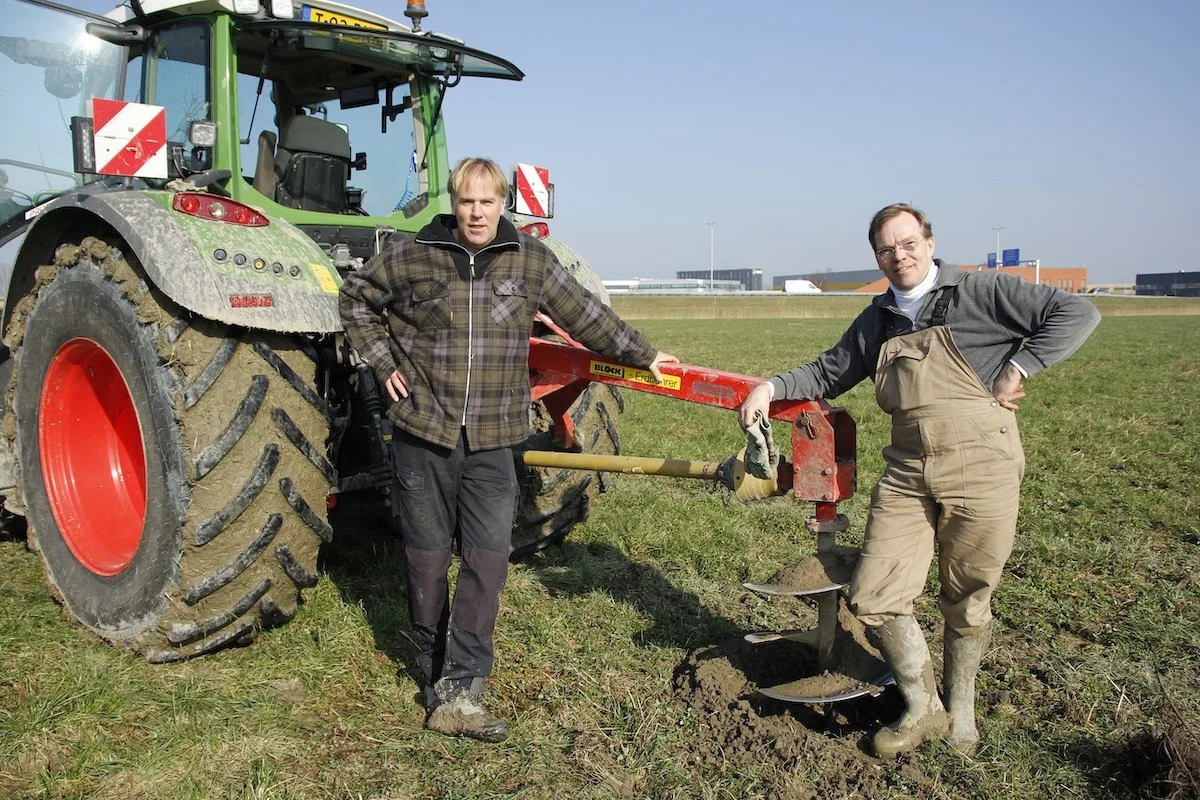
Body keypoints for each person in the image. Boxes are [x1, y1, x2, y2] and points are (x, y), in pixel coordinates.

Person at [739, 203, 1100, 758]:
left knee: (968, 594)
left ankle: (961, 712)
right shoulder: (878, 319)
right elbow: (831, 371)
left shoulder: (978, 293)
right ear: (877, 257)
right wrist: (771, 385)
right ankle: (921, 705)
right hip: (908, 467)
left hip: (982, 462)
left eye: (908, 243)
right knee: (874, 592)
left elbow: (1075, 312)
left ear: (930, 243)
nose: (899, 256)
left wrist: (1019, 368)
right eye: (886, 248)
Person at [339, 157, 677, 743]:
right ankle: (430, 669)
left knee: (486, 561)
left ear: (503, 204)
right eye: (467, 202)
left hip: (495, 437)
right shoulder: (414, 251)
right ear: (454, 202)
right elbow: (355, 297)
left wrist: (644, 353)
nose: (476, 213)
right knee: (424, 558)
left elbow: (585, 315)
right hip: (424, 432)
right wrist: (383, 359)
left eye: (487, 202)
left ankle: (463, 685)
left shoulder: (531, 259)